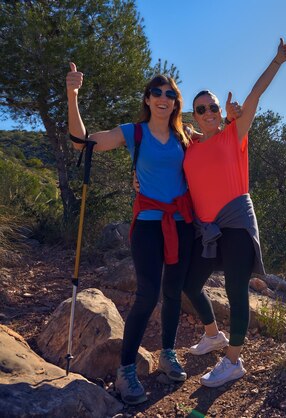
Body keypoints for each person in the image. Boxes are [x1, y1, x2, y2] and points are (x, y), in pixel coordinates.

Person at [66, 65, 237, 404]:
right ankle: (126, 368)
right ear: (147, 99)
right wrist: (72, 96)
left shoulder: (185, 136)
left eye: (170, 93)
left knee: (173, 292)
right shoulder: (134, 132)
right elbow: (81, 142)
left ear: (176, 102)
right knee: (147, 294)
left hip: (182, 224)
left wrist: (230, 120)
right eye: (157, 93)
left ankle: (168, 354)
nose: (163, 98)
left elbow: (220, 146)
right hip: (147, 224)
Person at [181, 38, 286, 388]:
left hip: (236, 223)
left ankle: (233, 360)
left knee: (235, 290)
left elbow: (256, 95)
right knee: (190, 283)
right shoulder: (190, 146)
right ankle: (213, 335)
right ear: (194, 116)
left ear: (219, 109)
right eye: (201, 109)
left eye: (212, 106)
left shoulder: (234, 133)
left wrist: (276, 61)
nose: (209, 112)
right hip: (207, 229)